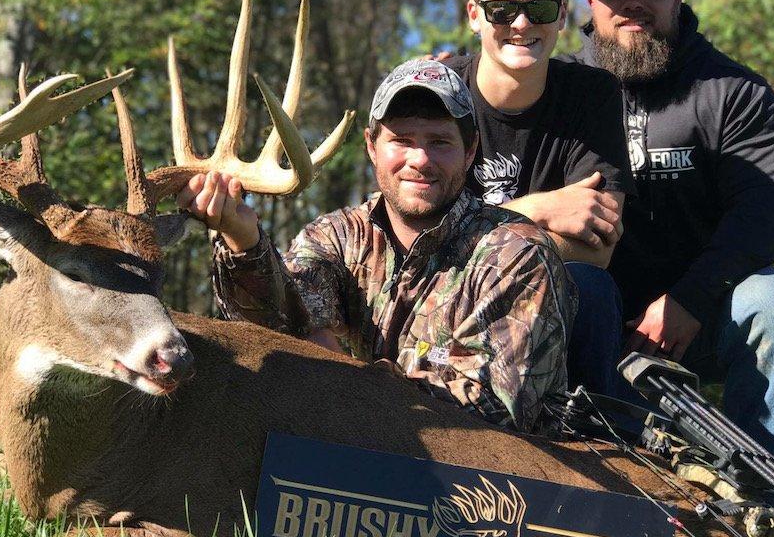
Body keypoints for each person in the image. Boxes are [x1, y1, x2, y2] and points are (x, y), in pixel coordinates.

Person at [178, 59, 576, 433]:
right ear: (371, 146)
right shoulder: (336, 237)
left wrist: (342, 377)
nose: (419, 159)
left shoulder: (516, 254)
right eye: (401, 140)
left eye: (440, 142)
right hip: (353, 469)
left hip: (484, 493)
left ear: (470, 151)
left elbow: (490, 407)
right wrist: (244, 240)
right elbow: (282, 324)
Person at [561, 0, 774, 472]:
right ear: (591, 6)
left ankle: (769, 503)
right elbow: (492, 105)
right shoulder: (561, 87)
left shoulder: (734, 91)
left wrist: (690, 301)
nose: (633, 1)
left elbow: (764, 211)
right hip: (590, 314)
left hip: (703, 312)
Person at [442, 0, 636, 401]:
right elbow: (423, 244)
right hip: (446, 302)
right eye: (501, 10)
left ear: (563, 15)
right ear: (474, 15)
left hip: (554, 299)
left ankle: (600, 446)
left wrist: (476, 237)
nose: (522, 23)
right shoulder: (440, 93)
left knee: (591, 287)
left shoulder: (593, 95)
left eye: (541, 8)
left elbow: (596, 251)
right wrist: (542, 208)